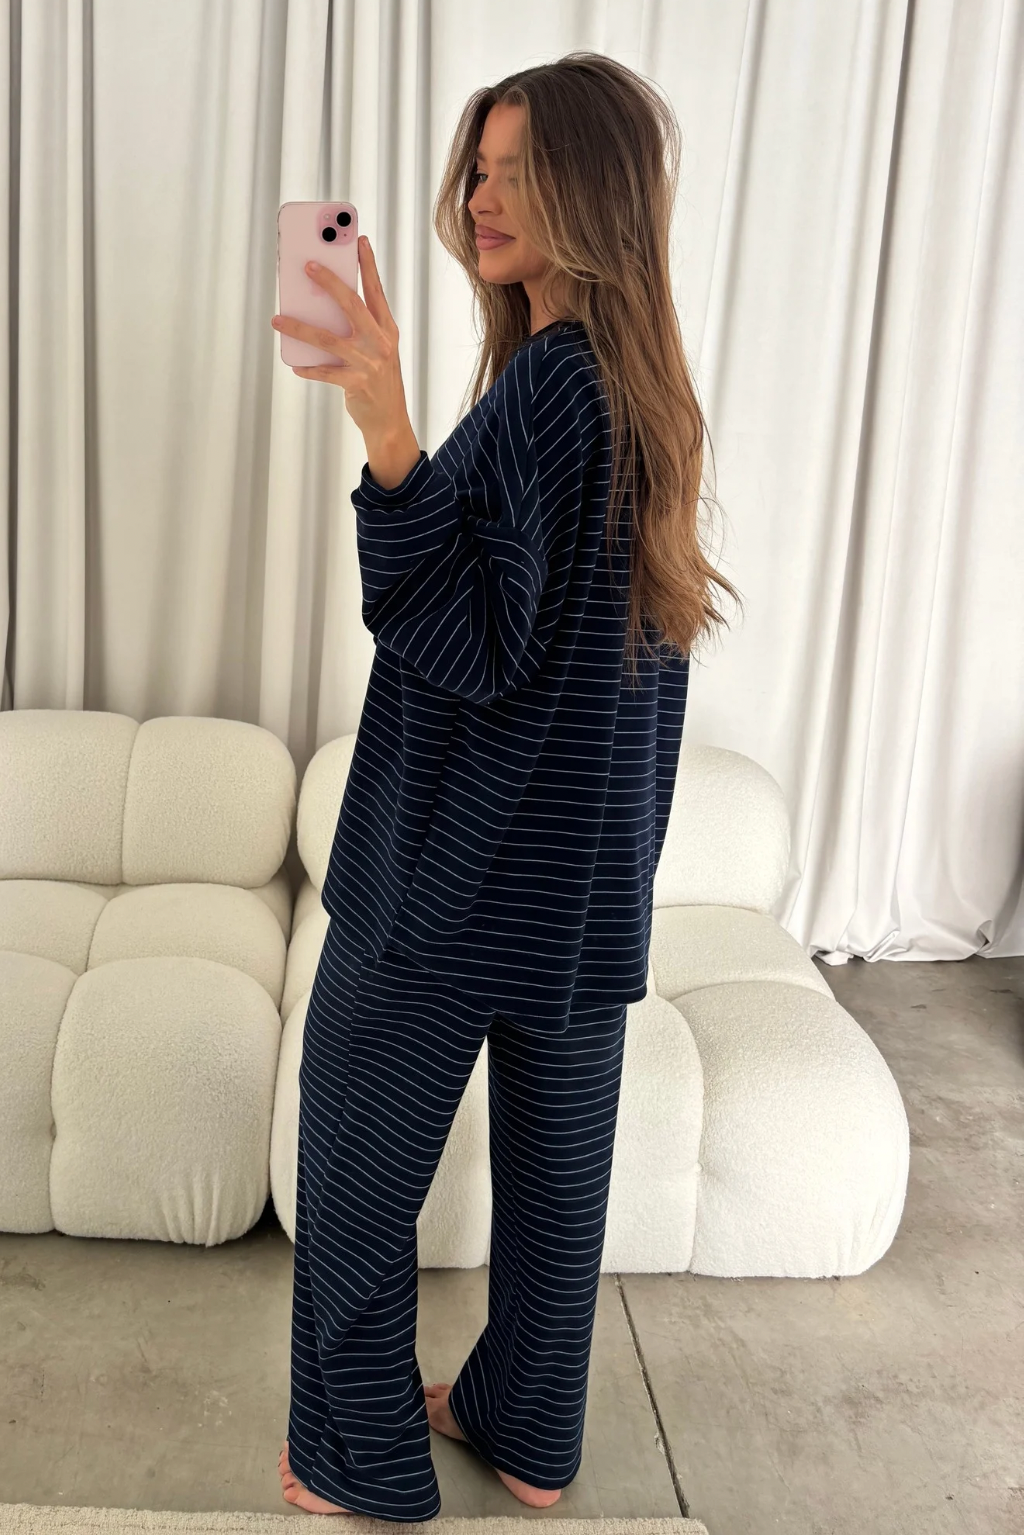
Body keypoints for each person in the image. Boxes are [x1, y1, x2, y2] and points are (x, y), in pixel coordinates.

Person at [270, 49, 741, 1521]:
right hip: (584, 878)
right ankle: (527, 1427)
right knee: (555, 1180)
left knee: (351, 1152)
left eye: (521, 170)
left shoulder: (548, 388)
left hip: (455, 866)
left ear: (594, 192)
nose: (482, 197)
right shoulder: (645, 392)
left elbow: (474, 645)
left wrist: (387, 432)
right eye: (478, 167)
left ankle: (354, 1458)